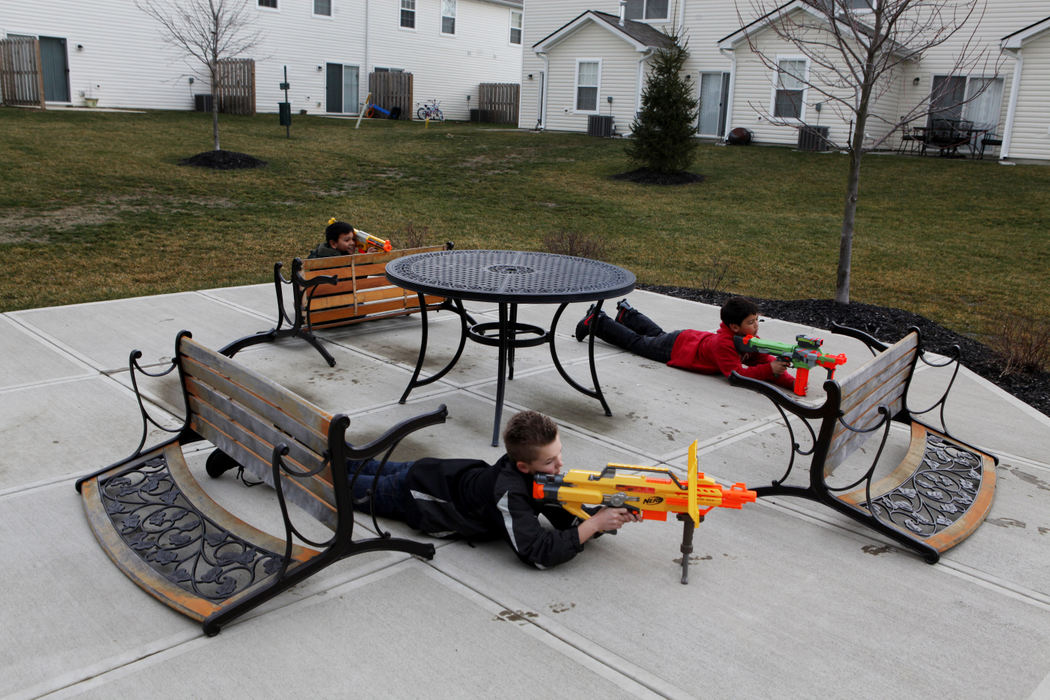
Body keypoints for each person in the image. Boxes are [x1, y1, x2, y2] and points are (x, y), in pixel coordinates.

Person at [349, 410, 640, 569]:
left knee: (354, 464)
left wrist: (604, 516)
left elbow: (568, 520)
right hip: (415, 494)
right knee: (340, 485)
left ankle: (317, 452)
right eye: (551, 461)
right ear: (524, 466)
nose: (559, 466)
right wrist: (594, 525)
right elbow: (536, 552)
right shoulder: (510, 493)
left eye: (559, 454)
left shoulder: (535, 475)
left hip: (427, 471)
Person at [575, 295, 795, 390]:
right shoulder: (725, 344)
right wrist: (769, 370)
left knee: (656, 335)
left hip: (687, 339)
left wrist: (791, 382)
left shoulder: (748, 339)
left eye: (757, 320)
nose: (756, 325)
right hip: (679, 348)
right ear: (734, 327)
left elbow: (764, 360)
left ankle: (627, 315)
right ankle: (598, 322)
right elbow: (736, 376)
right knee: (639, 343)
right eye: (751, 322)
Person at [308, 218, 381, 258]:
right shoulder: (335, 259)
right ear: (333, 243)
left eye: (353, 239)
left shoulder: (325, 252)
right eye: (347, 240)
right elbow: (353, 276)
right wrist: (367, 259)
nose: (352, 243)